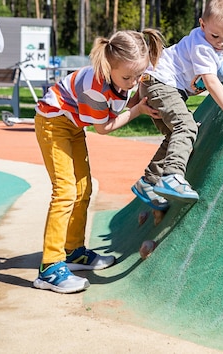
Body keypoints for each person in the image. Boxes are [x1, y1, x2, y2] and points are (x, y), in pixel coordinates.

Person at [33, 29, 165, 294]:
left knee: (84, 190)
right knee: (66, 191)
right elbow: (104, 128)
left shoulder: (121, 76)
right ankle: (49, 267)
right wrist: (137, 110)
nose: (133, 81)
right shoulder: (95, 88)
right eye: (128, 77)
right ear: (110, 66)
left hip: (72, 125)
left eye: (138, 75)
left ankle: (73, 253)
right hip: (52, 123)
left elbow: (130, 90)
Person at [132, 0, 223, 210]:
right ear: (202, 25)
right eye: (215, 35)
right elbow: (209, 81)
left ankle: (148, 182)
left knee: (176, 135)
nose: (221, 43)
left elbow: (208, 71)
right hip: (160, 83)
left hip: (160, 83)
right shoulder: (202, 45)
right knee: (187, 126)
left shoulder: (214, 44)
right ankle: (172, 177)